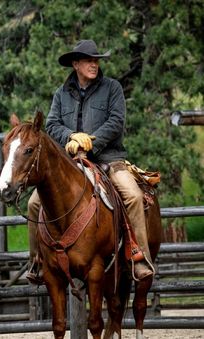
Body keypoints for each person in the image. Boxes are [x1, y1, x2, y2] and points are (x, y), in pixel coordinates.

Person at [26, 39, 154, 284]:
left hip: (109, 160)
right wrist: (71, 137)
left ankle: (138, 258)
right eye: (88, 60)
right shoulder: (61, 94)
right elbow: (52, 125)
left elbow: (116, 122)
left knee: (134, 196)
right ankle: (37, 262)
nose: (94, 64)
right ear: (76, 64)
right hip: (69, 163)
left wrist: (90, 142)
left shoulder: (112, 88)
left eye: (96, 60)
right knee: (33, 203)